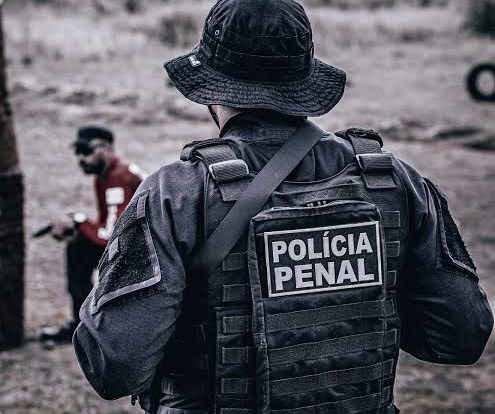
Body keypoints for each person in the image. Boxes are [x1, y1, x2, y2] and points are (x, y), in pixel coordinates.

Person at [73, 1, 493, 413]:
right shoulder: (395, 181)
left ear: (210, 89)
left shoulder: (176, 194)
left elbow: (114, 365)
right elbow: (461, 336)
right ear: (304, 78)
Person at [39, 125, 146, 344]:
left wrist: (79, 221)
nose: (81, 158)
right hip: (140, 242)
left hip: (145, 250)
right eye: (78, 152)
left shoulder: (117, 178)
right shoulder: (106, 174)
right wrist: (79, 225)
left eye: (87, 151)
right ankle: (84, 324)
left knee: (78, 251)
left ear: (107, 148)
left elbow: (112, 236)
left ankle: (84, 327)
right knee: (79, 246)